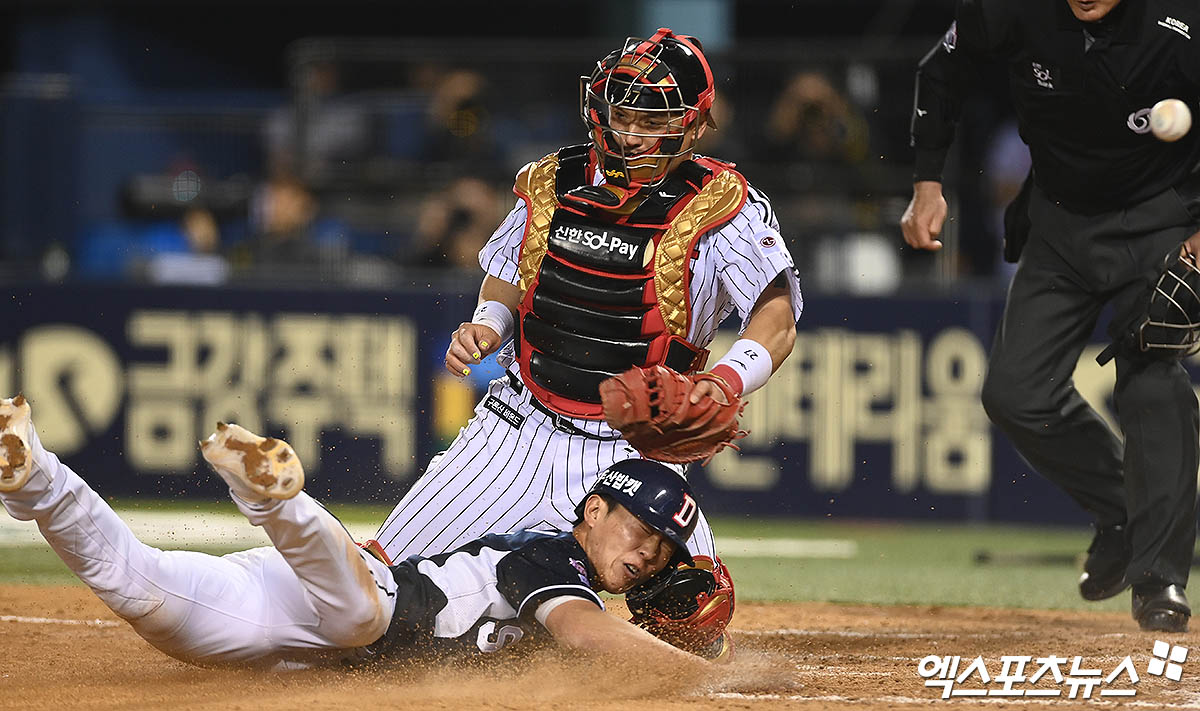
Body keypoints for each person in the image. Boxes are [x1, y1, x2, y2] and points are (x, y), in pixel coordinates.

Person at [371, 28, 803, 660]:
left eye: (649, 119)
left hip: (632, 453)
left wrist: (727, 379)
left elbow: (776, 317)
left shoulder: (722, 205)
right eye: (622, 114)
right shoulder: (552, 180)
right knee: (375, 583)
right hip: (516, 428)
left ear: (693, 125)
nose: (630, 133)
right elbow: (509, 267)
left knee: (695, 610)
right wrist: (489, 322)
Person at [0, 395, 714, 669]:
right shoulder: (552, 553)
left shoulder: (577, 577)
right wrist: (705, 680)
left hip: (289, 624)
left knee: (140, 589)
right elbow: (589, 635)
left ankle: (34, 476)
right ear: (593, 511)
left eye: (662, 548)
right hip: (368, 598)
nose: (649, 548)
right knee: (359, 616)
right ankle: (274, 497)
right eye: (642, 526)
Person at [900, 0, 1200, 632]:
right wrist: (928, 181)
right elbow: (941, 69)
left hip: (1161, 217)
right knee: (1015, 392)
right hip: (1061, 223)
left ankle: (1160, 579)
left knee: (1153, 382)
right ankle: (1121, 507)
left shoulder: (1182, 19)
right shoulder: (1013, 9)